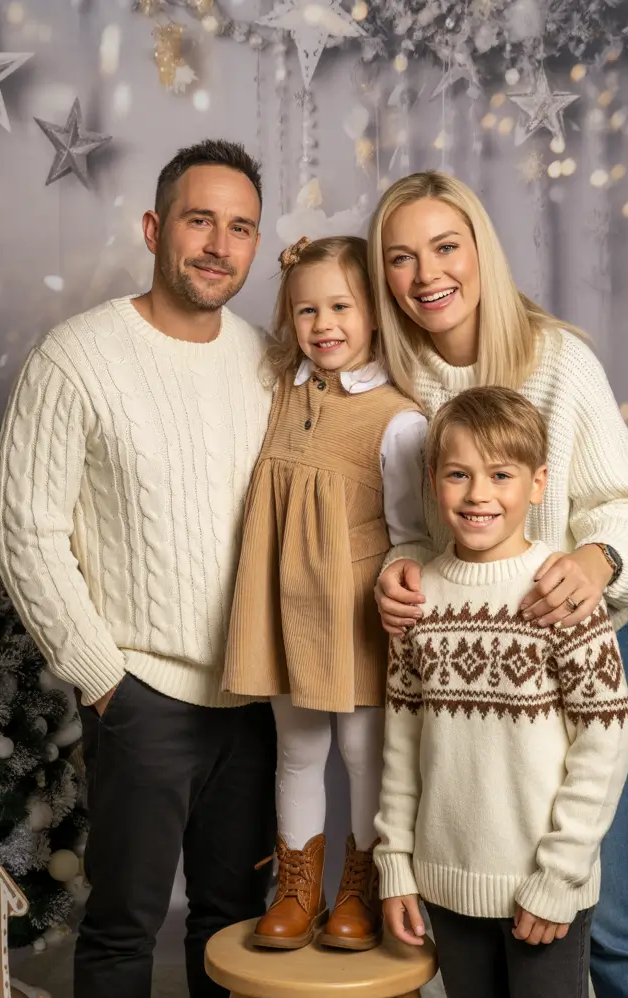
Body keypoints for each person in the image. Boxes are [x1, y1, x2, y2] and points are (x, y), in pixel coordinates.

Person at [368, 171, 628, 998]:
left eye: (445, 247)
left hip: (569, 640)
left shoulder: (558, 361)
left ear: (481, 250)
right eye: (400, 258)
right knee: (481, 935)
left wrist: (597, 558)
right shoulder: (394, 381)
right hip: (462, 651)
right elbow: (412, 525)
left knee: (609, 915)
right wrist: (398, 569)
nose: (426, 274)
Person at [0, 139, 277, 998]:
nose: (219, 246)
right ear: (155, 229)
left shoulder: (269, 361)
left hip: (251, 699)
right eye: (200, 221)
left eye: (240, 228)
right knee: (123, 927)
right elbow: (25, 531)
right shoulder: (76, 358)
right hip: (141, 693)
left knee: (234, 925)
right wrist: (103, 677)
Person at [377, 386, 628, 998]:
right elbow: (402, 746)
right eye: (458, 474)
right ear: (432, 481)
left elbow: (604, 745)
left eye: (500, 475)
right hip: (447, 883)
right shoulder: (416, 599)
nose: (478, 494)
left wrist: (560, 876)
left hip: (543, 888)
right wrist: (396, 866)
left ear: (538, 484)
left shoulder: (563, 595)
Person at [222, 235, 429, 952]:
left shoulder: (399, 419)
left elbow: (410, 535)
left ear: (374, 312)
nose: (323, 324)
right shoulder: (281, 391)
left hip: (356, 616)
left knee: (365, 755)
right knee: (299, 750)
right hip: (287, 609)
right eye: (307, 310)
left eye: (341, 306)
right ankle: (297, 889)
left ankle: (360, 888)